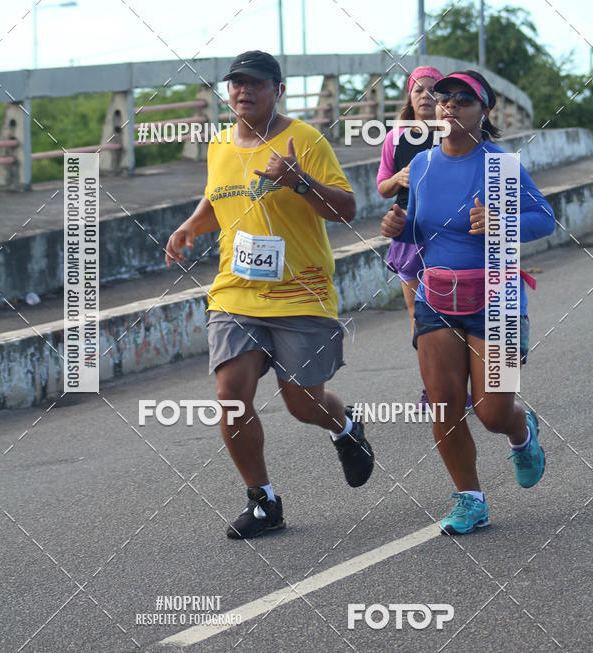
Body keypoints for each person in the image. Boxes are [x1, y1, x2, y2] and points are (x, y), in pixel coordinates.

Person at [165, 50, 374, 540]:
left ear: (277, 90)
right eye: (237, 84)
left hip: (302, 294)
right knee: (230, 397)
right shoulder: (219, 144)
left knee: (304, 405)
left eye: (256, 84)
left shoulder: (305, 139)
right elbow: (220, 196)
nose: (245, 91)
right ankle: (263, 502)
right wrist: (192, 226)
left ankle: (345, 428)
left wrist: (298, 181)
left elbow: (345, 209)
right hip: (235, 295)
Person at [381, 70, 555, 535]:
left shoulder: (501, 166)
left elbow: (545, 220)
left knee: (493, 411)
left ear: (484, 111)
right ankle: (470, 498)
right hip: (436, 295)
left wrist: (502, 220)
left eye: (463, 99)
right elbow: (421, 229)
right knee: (445, 404)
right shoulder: (422, 166)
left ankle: (522, 431)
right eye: (444, 98)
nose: (450, 106)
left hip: (496, 295)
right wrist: (400, 229)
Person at [376, 65, 443, 409]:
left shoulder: (457, 132)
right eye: (419, 90)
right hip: (409, 234)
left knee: (453, 314)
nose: (426, 96)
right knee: (420, 317)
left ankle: (461, 386)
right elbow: (382, 187)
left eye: (434, 90)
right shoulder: (395, 138)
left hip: (450, 234)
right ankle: (432, 389)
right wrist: (400, 177)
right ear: (409, 96)